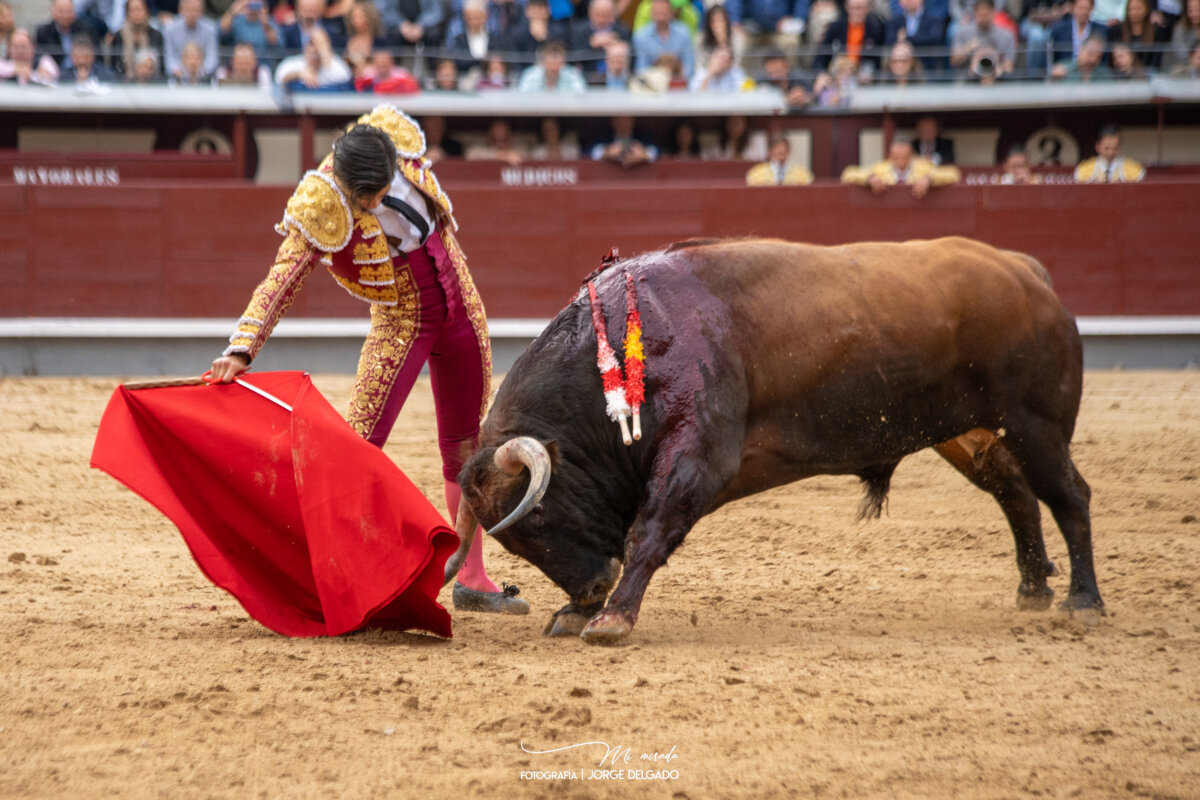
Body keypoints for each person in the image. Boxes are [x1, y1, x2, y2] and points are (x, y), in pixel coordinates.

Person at [208, 108, 527, 615]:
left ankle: (472, 577)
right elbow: (282, 277)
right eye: (369, 198)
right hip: (403, 318)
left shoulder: (391, 142)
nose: (377, 201)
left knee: (467, 446)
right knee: (356, 445)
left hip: (459, 303)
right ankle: (332, 576)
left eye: (383, 190)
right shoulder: (322, 198)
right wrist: (241, 348)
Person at [840, 137, 962, 198]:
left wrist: (930, 180)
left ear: (911, 157)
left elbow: (954, 174)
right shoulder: (880, 169)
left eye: (904, 158)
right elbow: (847, 174)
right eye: (896, 158)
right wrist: (869, 179)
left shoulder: (923, 168)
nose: (899, 162)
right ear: (890, 157)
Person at [814, 0, 887, 74]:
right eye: (853, 8)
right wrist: (822, 74)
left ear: (868, 9)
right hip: (838, 72)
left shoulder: (875, 30)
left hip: (862, 76)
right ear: (847, 7)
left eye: (861, 8)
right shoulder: (835, 27)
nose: (857, 12)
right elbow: (821, 57)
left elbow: (877, 60)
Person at [567, 0, 630, 82]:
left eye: (606, 15)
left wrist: (615, 45)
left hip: (616, 81)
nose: (601, 20)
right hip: (585, 80)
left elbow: (631, 55)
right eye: (598, 15)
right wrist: (590, 44)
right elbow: (572, 58)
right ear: (590, 13)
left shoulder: (622, 31)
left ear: (613, 14)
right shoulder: (578, 31)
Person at [950, 0, 1015, 79]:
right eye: (980, 15)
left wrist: (998, 66)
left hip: (998, 81)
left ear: (993, 12)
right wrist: (968, 48)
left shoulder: (1006, 36)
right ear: (974, 13)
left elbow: (1009, 67)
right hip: (969, 80)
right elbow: (953, 61)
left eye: (985, 15)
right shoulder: (962, 32)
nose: (983, 19)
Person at [631, 0, 694, 79]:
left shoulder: (684, 32)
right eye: (657, 13)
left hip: (679, 83)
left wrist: (679, 78)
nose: (661, 18)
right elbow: (641, 69)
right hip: (652, 84)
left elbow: (689, 64)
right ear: (651, 14)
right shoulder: (641, 36)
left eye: (664, 13)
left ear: (671, 13)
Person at [274, 25, 352, 88]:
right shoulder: (292, 62)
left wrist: (324, 52)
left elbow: (345, 77)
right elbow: (279, 79)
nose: (314, 49)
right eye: (311, 43)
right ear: (305, 47)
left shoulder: (334, 63)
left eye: (319, 45)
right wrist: (298, 74)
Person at [885, 0, 949, 73]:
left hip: (927, 70)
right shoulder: (894, 21)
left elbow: (934, 39)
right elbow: (889, 40)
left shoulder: (933, 19)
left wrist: (905, 39)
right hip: (899, 74)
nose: (909, 1)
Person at [164, 0, 220, 80]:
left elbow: (212, 57)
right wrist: (182, 72)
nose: (192, 14)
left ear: (202, 12)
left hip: (203, 77)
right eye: (189, 10)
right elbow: (169, 58)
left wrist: (200, 72)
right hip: (177, 76)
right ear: (181, 10)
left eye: (196, 10)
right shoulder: (170, 29)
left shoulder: (210, 29)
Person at [1107, 0, 1169, 69]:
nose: (1133, 12)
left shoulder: (1157, 31)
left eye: (1137, 9)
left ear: (1146, 9)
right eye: (1130, 9)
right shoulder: (1117, 30)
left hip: (1149, 73)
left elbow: (1157, 58)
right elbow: (1111, 58)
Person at [109, 0, 164, 77]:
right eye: (132, 10)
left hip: (151, 82)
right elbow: (114, 65)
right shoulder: (119, 36)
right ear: (127, 13)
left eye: (139, 10)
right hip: (124, 82)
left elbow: (160, 66)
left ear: (146, 11)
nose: (136, 14)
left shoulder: (156, 35)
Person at [1074, 125, 1145, 182]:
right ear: (1097, 146)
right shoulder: (1083, 169)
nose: (1110, 153)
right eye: (1106, 148)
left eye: (1115, 148)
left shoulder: (1133, 169)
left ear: (1119, 147)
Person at [1049, 0, 1106, 68]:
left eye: (1087, 8)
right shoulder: (1058, 30)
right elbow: (1052, 57)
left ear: (1092, 8)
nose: (1083, 12)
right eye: (1080, 8)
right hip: (1065, 73)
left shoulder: (1102, 30)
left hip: (1094, 73)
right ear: (1073, 8)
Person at [35, 0, 90, 69]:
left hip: (79, 72)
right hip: (54, 74)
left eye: (68, 11)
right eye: (61, 11)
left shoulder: (84, 29)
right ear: (53, 12)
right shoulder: (44, 33)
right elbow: (38, 57)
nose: (65, 15)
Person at [517, 38, 588, 89]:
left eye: (557, 63)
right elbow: (521, 99)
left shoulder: (573, 75)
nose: (553, 67)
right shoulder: (530, 76)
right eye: (550, 63)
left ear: (563, 63)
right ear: (542, 62)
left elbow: (582, 98)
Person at [591, 115, 658, 167]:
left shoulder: (642, 136)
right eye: (619, 120)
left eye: (626, 120)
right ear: (613, 122)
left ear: (632, 121)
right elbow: (588, 151)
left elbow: (660, 151)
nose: (622, 124)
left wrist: (645, 155)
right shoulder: (604, 136)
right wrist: (606, 152)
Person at [745, 136, 813, 185]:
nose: (779, 158)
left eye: (781, 154)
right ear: (770, 153)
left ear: (788, 153)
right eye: (775, 154)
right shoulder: (756, 173)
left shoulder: (802, 174)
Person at [1167, 0, 1200, 69]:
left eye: (1198, 10)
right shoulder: (1179, 29)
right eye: (1191, 10)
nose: (1194, 14)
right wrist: (1193, 60)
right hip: (1186, 68)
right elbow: (1180, 53)